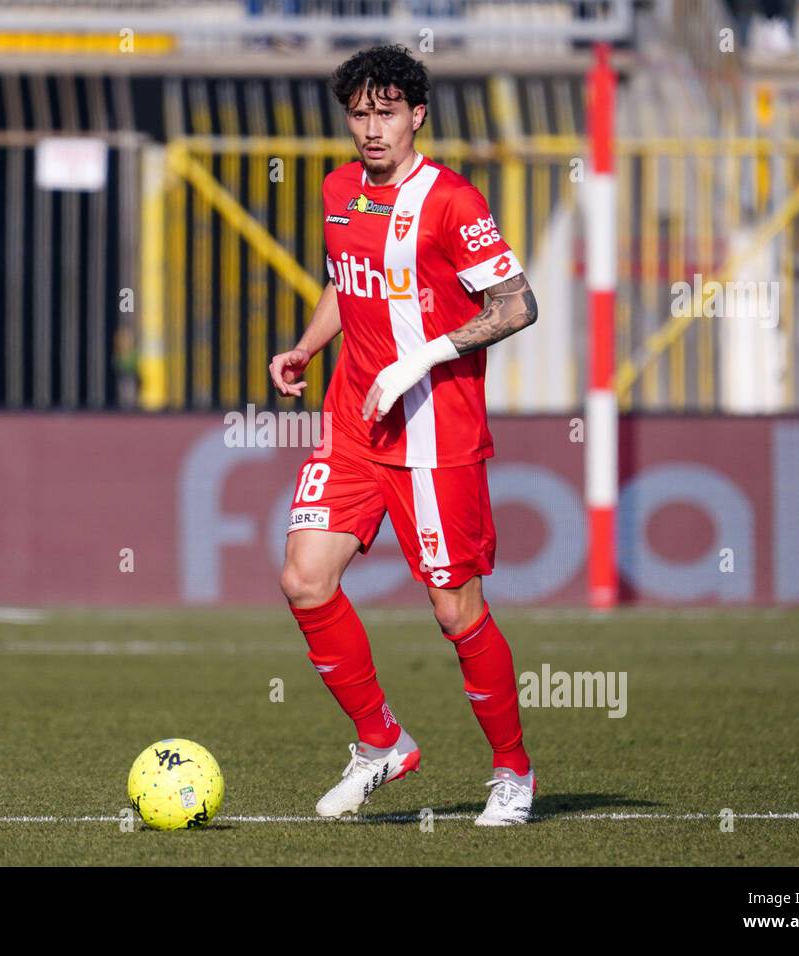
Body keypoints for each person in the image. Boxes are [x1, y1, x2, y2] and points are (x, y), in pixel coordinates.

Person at [268, 44, 540, 826]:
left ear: (417, 114)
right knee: (304, 579)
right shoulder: (338, 188)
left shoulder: (452, 201)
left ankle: (513, 771)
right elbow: (343, 280)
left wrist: (420, 357)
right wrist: (307, 346)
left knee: (456, 613)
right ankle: (380, 741)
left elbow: (517, 305)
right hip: (353, 424)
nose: (372, 128)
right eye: (359, 113)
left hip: (433, 435)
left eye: (387, 112)